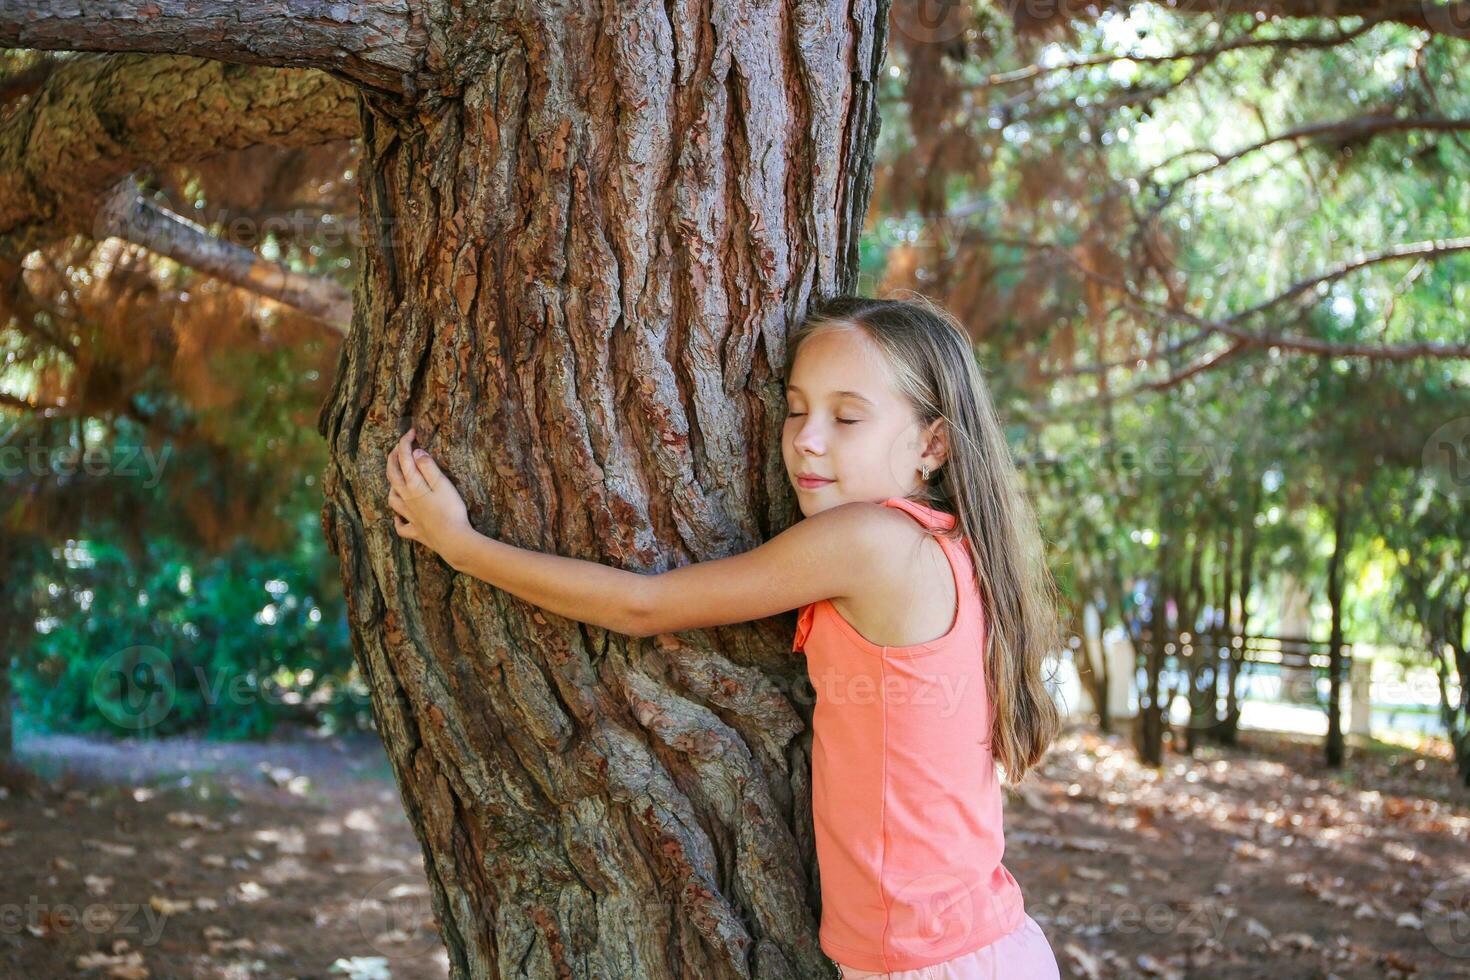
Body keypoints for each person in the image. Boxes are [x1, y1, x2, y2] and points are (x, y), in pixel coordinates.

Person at [385, 292, 1064, 979]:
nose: (807, 437)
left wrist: (463, 547)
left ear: (933, 445)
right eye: (796, 408)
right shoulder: (952, 547)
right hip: (983, 945)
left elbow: (643, 607)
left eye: (847, 416)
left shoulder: (871, 541)